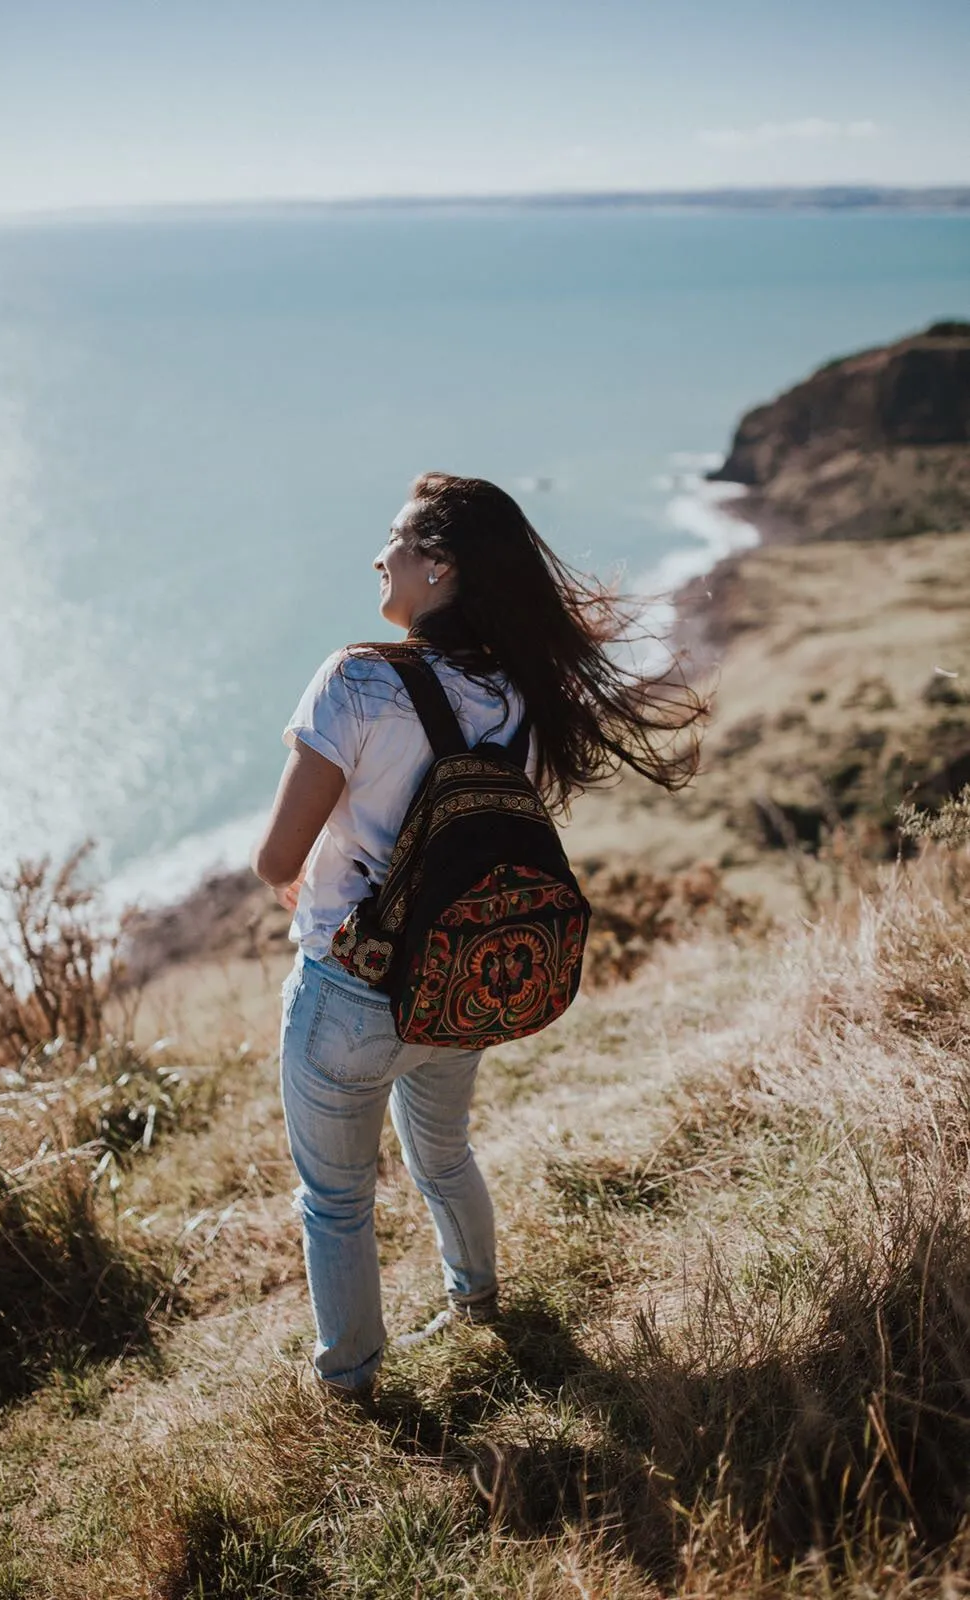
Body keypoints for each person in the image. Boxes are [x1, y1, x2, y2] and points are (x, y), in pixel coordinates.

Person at [251, 471, 706, 1398]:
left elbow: (274, 859)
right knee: (445, 1154)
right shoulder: (523, 696)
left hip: (348, 989)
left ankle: (350, 1386)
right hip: (456, 980)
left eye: (398, 540)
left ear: (442, 567)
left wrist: (310, 875)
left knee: (336, 1201)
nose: (381, 554)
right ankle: (478, 1301)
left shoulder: (357, 678)